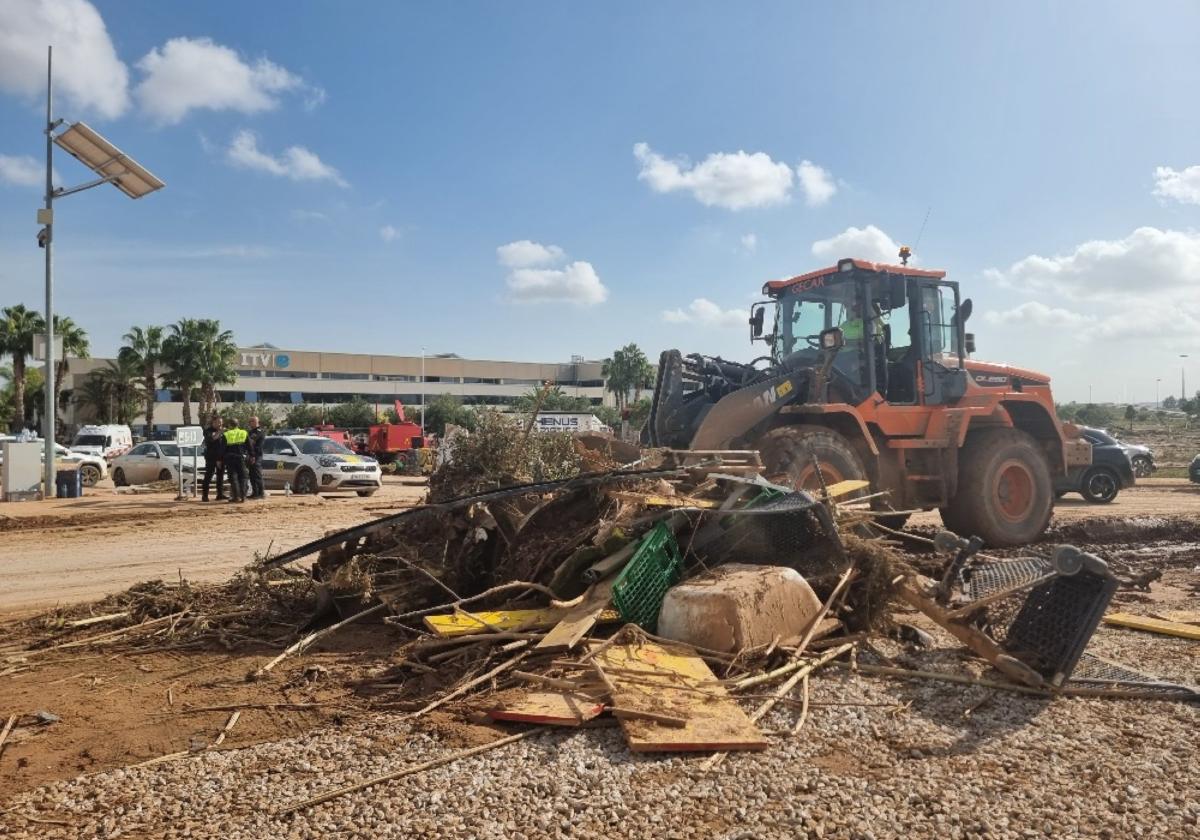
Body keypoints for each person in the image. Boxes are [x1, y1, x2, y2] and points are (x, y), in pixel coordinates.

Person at [222, 418, 249, 503]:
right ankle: (243, 496)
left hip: (230, 458)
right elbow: (249, 445)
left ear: (230, 425)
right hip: (241, 458)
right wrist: (251, 455)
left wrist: (220, 458)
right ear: (238, 424)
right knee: (243, 477)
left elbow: (222, 448)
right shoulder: (244, 433)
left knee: (233, 478)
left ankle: (236, 497)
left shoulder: (226, 434)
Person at [201, 414, 226, 502]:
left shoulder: (224, 432)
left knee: (220, 476)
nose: (220, 424)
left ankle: (220, 494)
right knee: (209, 475)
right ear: (213, 422)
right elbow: (212, 439)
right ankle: (205, 495)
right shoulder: (208, 431)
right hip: (211, 457)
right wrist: (220, 432)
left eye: (221, 423)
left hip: (221, 457)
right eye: (218, 422)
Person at [246, 415, 265, 500]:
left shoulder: (259, 431)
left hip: (257, 455)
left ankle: (261, 493)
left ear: (256, 422)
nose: (250, 423)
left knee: (257, 474)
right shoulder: (250, 432)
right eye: (249, 421)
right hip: (251, 455)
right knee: (252, 475)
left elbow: (252, 442)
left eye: (251, 421)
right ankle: (255, 492)